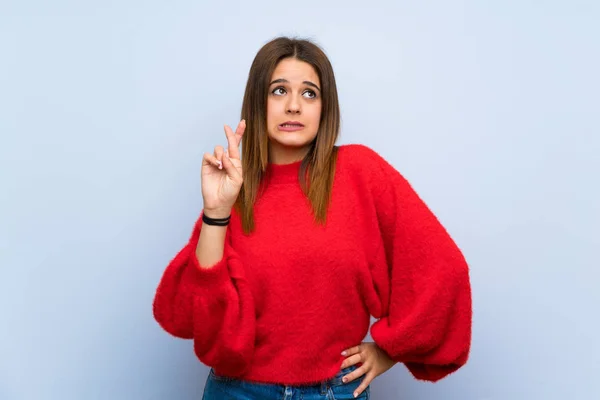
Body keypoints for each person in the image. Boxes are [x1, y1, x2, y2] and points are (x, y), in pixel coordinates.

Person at [152, 36, 472, 399]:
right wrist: (216, 213)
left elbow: (443, 268)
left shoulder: (360, 173)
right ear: (258, 103)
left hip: (333, 392)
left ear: (324, 108)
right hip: (236, 391)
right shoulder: (234, 190)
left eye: (309, 94)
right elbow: (198, 320)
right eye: (278, 91)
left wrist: (388, 351)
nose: (293, 106)